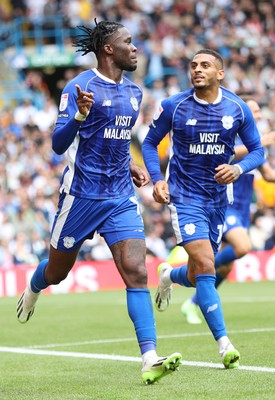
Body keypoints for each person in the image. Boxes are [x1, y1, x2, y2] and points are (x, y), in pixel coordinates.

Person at [16, 20, 182, 385]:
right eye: (128, 42)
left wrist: (132, 164)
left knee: (136, 271)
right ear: (109, 49)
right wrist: (78, 115)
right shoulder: (79, 87)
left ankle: (149, 357)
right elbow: (59, 145)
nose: (135, 47)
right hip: (81, 196)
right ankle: (34, 286)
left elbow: (115, 142)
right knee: (58, 273)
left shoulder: (135, 93)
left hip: (119, 195)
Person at [142, 49, 265, 369]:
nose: (197, 69)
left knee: (198, 272)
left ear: (219, 73)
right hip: (184, 198)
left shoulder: (237, 108)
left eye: (205, 65)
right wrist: (157, 179)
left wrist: (238, 170)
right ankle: (225, 345)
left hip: (217, 201)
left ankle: (170, 275)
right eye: (193, 65)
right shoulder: (173, 105)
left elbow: (257, 152)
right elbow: (148, 143)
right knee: (208, 269)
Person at [181, 99, 275, 325]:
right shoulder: (229, 133)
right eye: (253, 111)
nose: (258, 115)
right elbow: (226, 154)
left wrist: (259, 144)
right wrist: (261, 142)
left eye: (258, 112)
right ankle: (190, 272)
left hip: (242, 209)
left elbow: (269, 175)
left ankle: (193, 303)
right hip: (224, 202)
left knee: (226, 266)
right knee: (242, 247)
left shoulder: (254, 144)